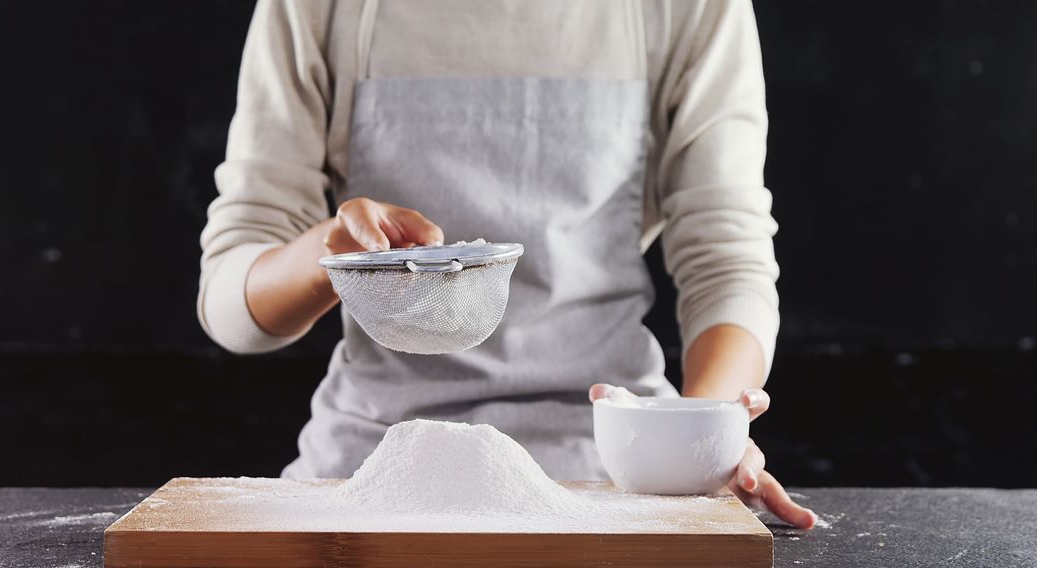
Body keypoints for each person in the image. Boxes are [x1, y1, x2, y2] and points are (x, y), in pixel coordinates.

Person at [198, 0, 816, 529]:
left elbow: (726, 256)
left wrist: (696, 441)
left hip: (614, 475)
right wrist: (331, 252)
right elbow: (235, 305)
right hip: (365, 472)